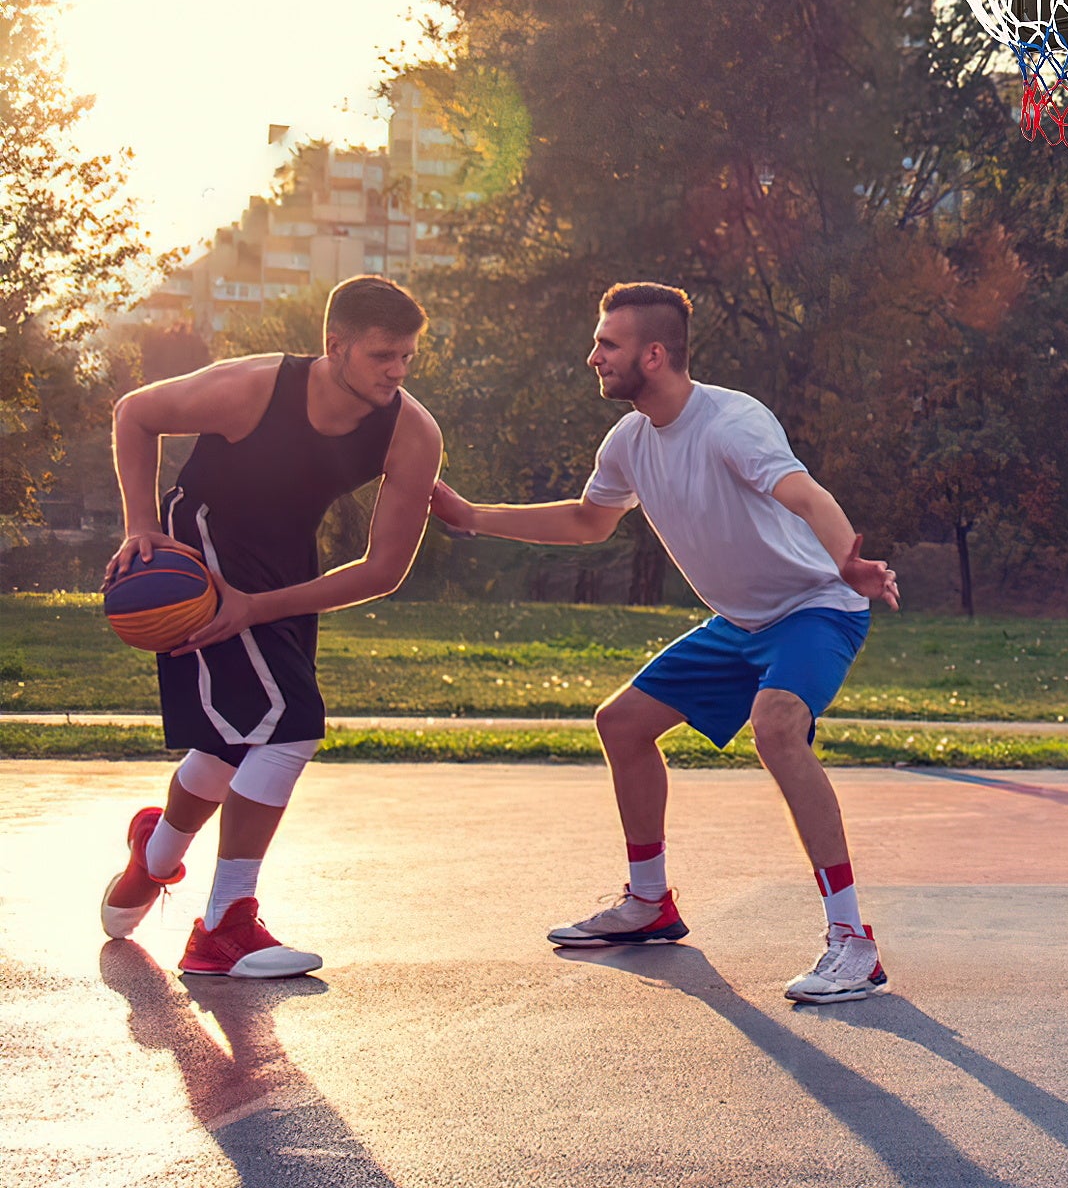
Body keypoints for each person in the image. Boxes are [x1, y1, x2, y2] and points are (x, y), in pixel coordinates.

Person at [429, 281, 900, 1004]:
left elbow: (806, 496)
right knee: (621, 723)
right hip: (739, 624)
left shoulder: (731, 422)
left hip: (816, 606)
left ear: (653, 354)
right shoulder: (629, 441)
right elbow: (590, 522)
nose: (593, 357)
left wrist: (847, 561)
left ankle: (852, 943)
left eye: (607, 345)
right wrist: (473, 517)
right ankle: (649, 902)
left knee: (775, 729)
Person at [100, 275, 443, 976]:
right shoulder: (252, 388)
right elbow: (135, 412)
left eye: (407, 355)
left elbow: (383, 569)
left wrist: (260, 605)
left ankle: (156, 853)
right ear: (335, 345)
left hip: (283, 563)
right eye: (382, 355)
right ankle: (224, 926)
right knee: (290, 723)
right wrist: (139, 525)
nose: (397, 371)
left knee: (238, 736)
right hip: (201, 543)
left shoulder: (411, 430)